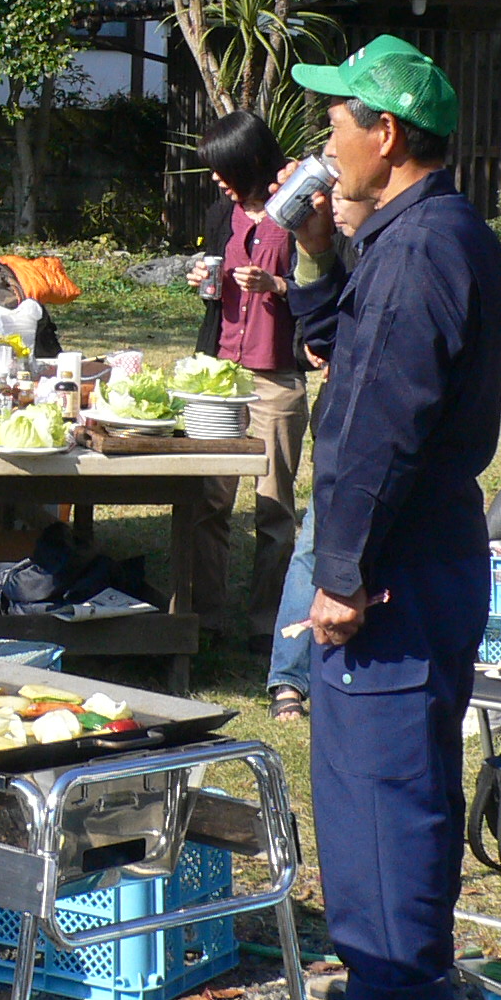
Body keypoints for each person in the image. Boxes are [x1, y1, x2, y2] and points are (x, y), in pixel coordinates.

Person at [283, 34, 501, 1000]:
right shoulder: (408, 235)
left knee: (388, 783)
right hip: (409, 551)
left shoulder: (420, 251)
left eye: (337, 121)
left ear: (385, 133)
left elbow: (377, 425)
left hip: (400, 560)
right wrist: (315, 258)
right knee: (364, 776)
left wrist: (341, 577)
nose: (325, 142)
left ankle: (410, 998)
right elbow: (338, 348)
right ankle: (383, 981)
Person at [185, 109, 307, 658]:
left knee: (274, 506)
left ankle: (266, 625)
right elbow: (216, 280)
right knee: (209, 499)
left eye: (221, 167)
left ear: (250, 160)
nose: (215, 179)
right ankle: (205, 615)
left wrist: (276, 283)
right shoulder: (221, 214)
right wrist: (203, 284)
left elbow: (326, 286)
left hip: (276, 375)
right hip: (221, 373)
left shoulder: (300, 212)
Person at [263, 187, 374, 721]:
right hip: (338, 416)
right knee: (313, 543)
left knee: (322, 541)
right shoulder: (341, 247)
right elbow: (320, 321)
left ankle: (317, 675)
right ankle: (289, 679)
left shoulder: (395, 245)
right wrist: (315, 341)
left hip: (372, 425)